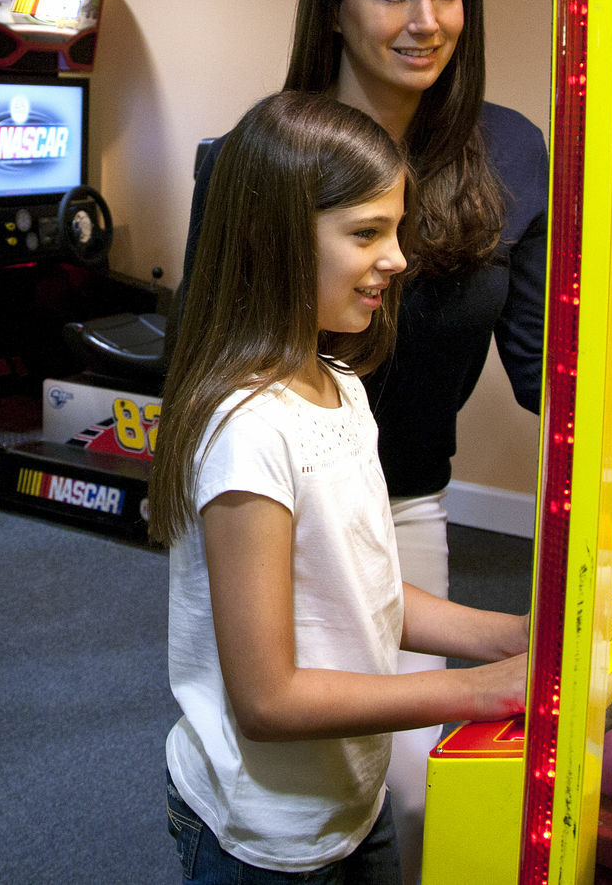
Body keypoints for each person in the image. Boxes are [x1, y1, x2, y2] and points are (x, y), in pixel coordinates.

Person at [182, 0, 547, 878]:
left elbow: (537, 364)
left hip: (401, 499)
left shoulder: (510, 148)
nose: (425, 21)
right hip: (270, 506)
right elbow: (208, 361)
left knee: (402, 800)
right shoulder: (258, 162)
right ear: (334, 5)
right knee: (295, 787)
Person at [152, 91, 528, 884]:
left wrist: (504, 637)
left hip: (352, 799)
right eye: (366, 233)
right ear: (276, 241)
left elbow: (362, 589)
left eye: (395, 229)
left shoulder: (341, 383)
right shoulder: (249, 429)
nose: (397, 258)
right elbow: (269, 698)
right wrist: (477, 692)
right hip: (267, 834)